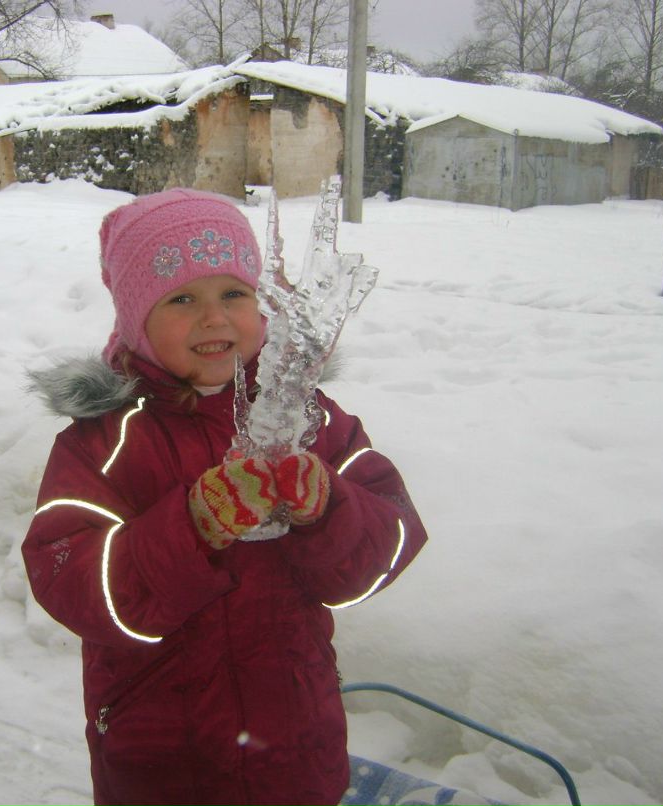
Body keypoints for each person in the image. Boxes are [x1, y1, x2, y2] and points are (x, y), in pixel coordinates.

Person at [22, 188, 427, 806]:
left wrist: (328, 506)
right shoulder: (105, 442)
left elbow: (390, 539)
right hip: (163, 759)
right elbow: (74, 582)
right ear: (136, 318)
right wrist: (192, 526)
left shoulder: (312, 421)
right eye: (183, 298)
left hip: (294, 745)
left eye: (234, 294)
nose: (214, 319)